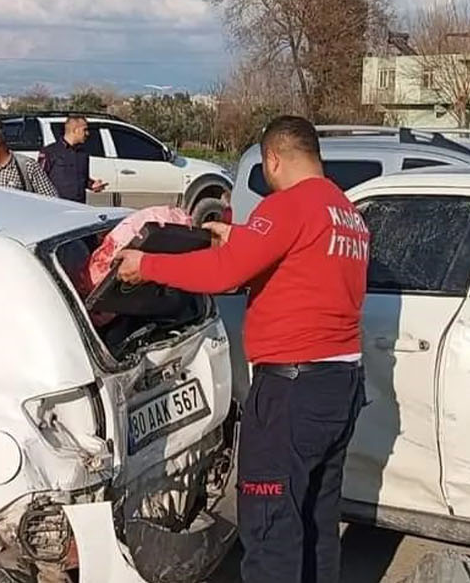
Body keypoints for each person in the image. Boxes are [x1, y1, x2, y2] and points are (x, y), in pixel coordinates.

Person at [114, 115, 369, 583]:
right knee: (316, 523)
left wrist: (147, 264)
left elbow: (224, 275)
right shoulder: (345, 212)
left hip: (293, 391)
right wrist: (242, 239)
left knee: (271, 524)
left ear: (272, 158)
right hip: (340, 385)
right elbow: (296, 270)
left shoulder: (288, 206)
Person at [41, 115, 107, 203]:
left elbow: (83, 178)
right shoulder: (50, 152)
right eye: (85, 130)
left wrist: (92, 185)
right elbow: (39, 179)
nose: (87, 133)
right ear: (75, 130)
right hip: (56, 205)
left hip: (79, 205)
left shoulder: (83, 153)